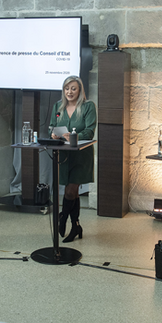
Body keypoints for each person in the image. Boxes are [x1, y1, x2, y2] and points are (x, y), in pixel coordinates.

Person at [49, 75, 97, 243]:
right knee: (73, 192)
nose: (69, 92)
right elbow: (51, 128)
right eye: (67, 88)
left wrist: (73, 136)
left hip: (81, 155)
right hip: (63, 155)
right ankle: (76, 225)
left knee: (70, 190)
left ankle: (62, 218)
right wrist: (54, 135)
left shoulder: (88, 106)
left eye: (73, 88)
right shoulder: (58, 106)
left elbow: (90, 131)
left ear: (80, 90)